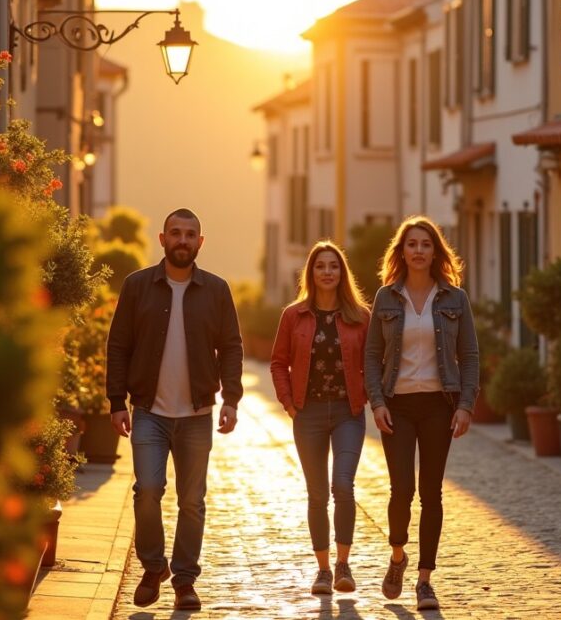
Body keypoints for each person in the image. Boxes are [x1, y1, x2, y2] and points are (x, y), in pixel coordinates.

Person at [105, 208, 243, 611]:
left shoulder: (217, 290)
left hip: (197, 415)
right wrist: (116, 402)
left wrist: (231, 399)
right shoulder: (137, 286)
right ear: (162, 239)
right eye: (176, 234)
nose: (183, 241)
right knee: (147, 490)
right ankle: (153, 567)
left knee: (192, 500)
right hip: (149, 411)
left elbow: (232, 347)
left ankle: (184, 579)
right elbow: (118, 345)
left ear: (201, 242)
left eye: (190, 235)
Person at [363, 215, 478, 612]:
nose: (418, 250)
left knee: (431, 493)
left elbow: (470, 354)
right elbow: (373, 355)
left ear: (435, 251)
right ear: (402, 251)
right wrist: (377, 402)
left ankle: (425, 581)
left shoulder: (454, 299)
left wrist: (465, 405)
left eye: (425, 244)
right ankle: (398, 557)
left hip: (437, 406)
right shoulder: (385, 296)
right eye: (411, 244)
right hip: (397, 405)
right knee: (401, 490)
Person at [270, 241, 371, 596]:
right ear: (311, 273)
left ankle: (344, 565)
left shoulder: (361, 317)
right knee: (316, 494)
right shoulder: (293, 315)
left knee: (342, 485)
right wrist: (288, 403)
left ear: (342, 273)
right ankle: (324, 570)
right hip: (308, 413)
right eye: (320, 266)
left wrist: (371, 398)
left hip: (348, 413)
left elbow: (374, 363)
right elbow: (278, 362)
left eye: (334, 266)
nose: (327, 272)